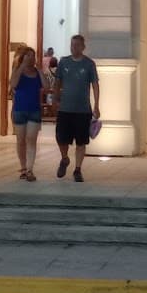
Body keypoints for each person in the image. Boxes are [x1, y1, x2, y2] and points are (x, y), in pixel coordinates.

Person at [53, 33, 99, 183]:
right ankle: (64, 158)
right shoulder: (63, 62)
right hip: (65, 108)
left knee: (81, 141)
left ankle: (78, 169)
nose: (74, 48)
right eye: (72, 45)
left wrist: (96, 105)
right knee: (61, 138)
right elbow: (57, 82)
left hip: (83, 109)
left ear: (83, 47)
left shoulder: (89, 64)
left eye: (77, 45)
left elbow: (95, 85)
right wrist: (55, 99)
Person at [9, 47, 46, 181]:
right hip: (19, 110)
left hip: (34, 110)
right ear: (23, 57)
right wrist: (21, 67)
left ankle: (30, 169)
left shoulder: (37, 72)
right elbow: (13, 84)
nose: (31, 58)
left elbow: (46, 86)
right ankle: (23, 167)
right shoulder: (17, 71)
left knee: (31, 139)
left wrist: (40, 71)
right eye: (28, 55)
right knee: (20, 140)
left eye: (33, 56)